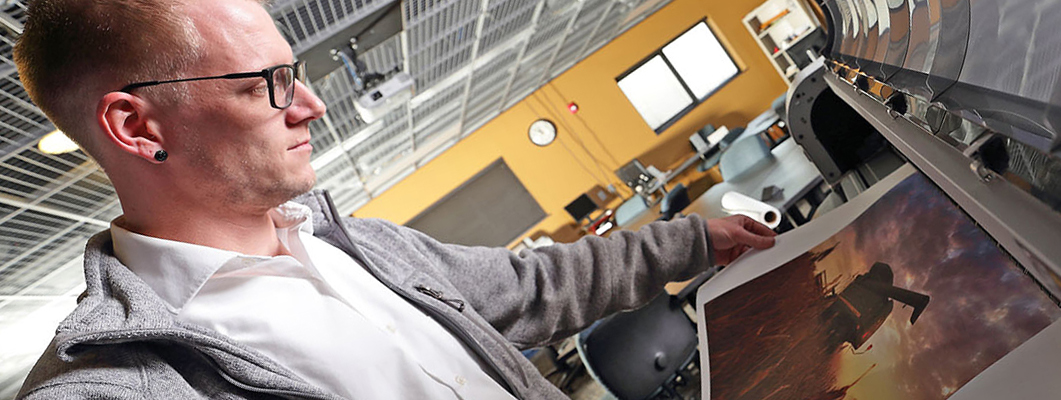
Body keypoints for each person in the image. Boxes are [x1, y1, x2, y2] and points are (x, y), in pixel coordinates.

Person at [10, 0, 778, 398]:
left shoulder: (361, 246)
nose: (309, 105)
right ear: (136, 126)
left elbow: (536, 288)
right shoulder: (111, 385)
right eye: (266, 84)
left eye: (297, 71)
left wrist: (702, 241)